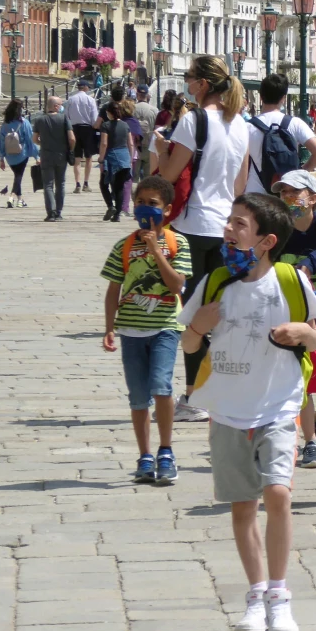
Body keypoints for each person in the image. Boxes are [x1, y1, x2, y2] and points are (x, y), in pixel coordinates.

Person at [179, 193, 316, 631]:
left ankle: (280, 597)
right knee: (243, 507)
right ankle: (256, 595)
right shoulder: (214, 282)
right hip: (227, 411)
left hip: (278, 406)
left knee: (277, 494)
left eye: (239, 224)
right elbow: (186, 346)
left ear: (266, 240)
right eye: (229, 222)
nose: (228, 230)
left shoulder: (291, 280)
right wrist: (199, 324)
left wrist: (303, 332)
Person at [157, 55, 250, 423]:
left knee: (194, 317)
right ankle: (228, 390)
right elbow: (240, 185)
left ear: (203, 85)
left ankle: (195, 396)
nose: (187, 83)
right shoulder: (241, 124)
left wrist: (160, 149)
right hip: (225, 228)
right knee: (223, 314)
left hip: (192, 226)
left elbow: (168, 174)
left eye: (190, 78)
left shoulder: (192, 121)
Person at [100, 176, 192, 485]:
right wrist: (109, 327)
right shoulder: (123, 246)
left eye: (152, 204)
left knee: (160, 386)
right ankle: (144, 455)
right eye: (140, 202)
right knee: (138, 397)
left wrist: (155, 250)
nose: (144, 209)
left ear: (166, 210)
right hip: (131, 329)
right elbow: (114, 288)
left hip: (165, 325)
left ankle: (166, 450)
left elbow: (177, 284)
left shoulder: (178, 244)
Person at [272, 170, 316, 470]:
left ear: (312, 198)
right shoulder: (280, 228)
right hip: (295, 313)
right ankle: (310, 441)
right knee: (304, 378)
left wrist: (310, 264)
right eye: (282, 193)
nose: (287, 198)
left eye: (293, 192)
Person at [245, 73, 316, 195]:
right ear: (283, 98)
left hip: (255, 192)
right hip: (287, 192)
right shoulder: (294, 123)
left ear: (261, 97)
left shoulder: (248, 127)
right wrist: (301, 171)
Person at [33, 96, 74, 221]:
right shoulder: (64, 118)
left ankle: (51, 212)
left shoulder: (39, 120)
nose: (62, 107)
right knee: (60, 183)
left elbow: (34, 139)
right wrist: (70, 149)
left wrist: (43, 143)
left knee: (48, 184)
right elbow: (72, 138)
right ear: (56, 106)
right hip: (61, 155)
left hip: (46, 155)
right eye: (61, 104)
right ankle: (59, 212)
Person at [98, 96, 134, 223]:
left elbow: (104, 143)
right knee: (119, 187)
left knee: (103, 184)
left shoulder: (106, 125)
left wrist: (101, 159)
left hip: (111, 157)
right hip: (124, 157)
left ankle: (110, 206)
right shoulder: (125, 125)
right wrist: (130, 158)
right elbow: (130, 143)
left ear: (108, 112)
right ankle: (117, 215)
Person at [0, 99, 38, 209]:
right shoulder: (24, 123)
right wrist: (36, 156)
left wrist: (1, 157)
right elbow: (30, 141)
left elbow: (1, 141)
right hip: (22, 153)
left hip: (9, 155)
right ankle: (11, 197)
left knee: (17, 175)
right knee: (19, 176)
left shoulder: (5, 124)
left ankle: (20, 200)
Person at [65, 80, 100, 193]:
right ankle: (86, 183)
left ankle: (77, 183)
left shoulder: (71, 100)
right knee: (89, 157)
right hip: (87, 128)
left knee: (77, 158)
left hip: (74, 128)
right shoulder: (90, 100)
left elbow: (66, 116)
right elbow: (94, 118)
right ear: (85, 88)